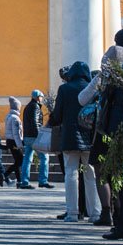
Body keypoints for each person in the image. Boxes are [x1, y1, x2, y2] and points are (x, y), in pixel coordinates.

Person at [79, 45, 123, 228]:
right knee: (120, 171)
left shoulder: (103, 77)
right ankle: (121, 211)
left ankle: (107, 211)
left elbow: (82, 99)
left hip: (104, 130)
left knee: (101, 171)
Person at [50, 61, 100, 222]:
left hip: (70, 136)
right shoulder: (92, 88)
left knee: (71, 174)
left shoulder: (64, 88)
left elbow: (57, 115)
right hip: (89, 137)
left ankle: (72, 212)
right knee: (90, 175)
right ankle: (95, 213)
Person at [21, 89, 52, 188]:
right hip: (35, 137)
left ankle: (24, 182)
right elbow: (35, 122)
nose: (42, 99)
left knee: (27, 159)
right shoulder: (35, 107)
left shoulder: (27, 107)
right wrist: (39, 136)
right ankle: (43, 181)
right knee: (45, 157)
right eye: (41, 97)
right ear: (38, 97)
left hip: (27, 136)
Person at [3, 98, 24, 186]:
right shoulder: (15, 118)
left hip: (9, 141)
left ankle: (19, 181)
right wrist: (20, 145)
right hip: (14, 142)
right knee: (20, 161)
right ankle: (4, 175)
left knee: (17, 161)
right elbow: (16, 134)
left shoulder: (8, 116)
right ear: (17, 107)